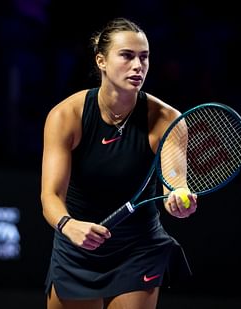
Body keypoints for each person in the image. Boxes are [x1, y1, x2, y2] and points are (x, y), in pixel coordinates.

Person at [40, 17, 198, 309]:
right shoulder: (66, 116)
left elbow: (176, 182)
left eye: (144, 57)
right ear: (101, 61)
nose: (138, 65)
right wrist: (68, 225)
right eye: (127, 56)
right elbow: (50, 195)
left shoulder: (167, 120)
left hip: (137, 248)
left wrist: (179, 198)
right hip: (77, 241)